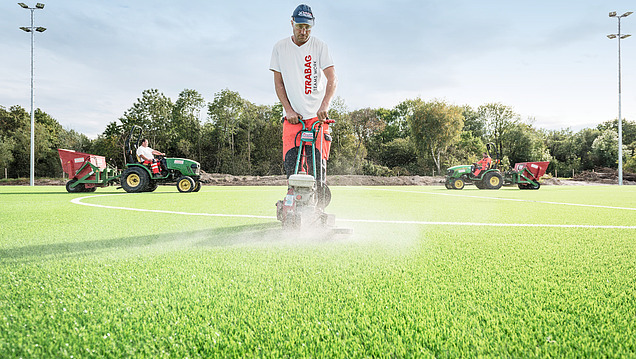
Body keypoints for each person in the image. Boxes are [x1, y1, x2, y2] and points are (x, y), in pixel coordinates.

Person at [269, 4, 338, 179]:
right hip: (294, 118)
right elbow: (279, 84)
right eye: (300, 26)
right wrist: (289, 110)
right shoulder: (280, 47)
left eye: (307, 27)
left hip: (317, 118)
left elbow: (332, 78)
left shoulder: (320, 46)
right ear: (292, 23)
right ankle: (293, 201)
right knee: (291, 167)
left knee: (318, 169)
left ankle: (319, 204)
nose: (303, 31)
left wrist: (324, 105)